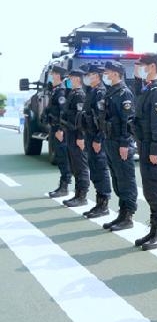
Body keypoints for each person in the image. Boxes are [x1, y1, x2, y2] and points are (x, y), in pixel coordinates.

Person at [132, 53, 157, 250]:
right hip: (144, 144)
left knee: (154, 190)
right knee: (149, 189)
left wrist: (155, 148)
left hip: (152, 147)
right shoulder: (147, 89)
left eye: (142, 65)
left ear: (153, 67)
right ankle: (154, 229)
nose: (138, 69)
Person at [100, 60, 138, 232]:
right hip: (110, 140)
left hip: (120, 142)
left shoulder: (124, 93)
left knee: (125, 179)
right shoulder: (111, 92)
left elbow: (127, 121)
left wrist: (124, 143)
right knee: (116, 178)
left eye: (107, 72)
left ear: (115, 73)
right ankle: (122, 213)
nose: (105, 75)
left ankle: (128, 215)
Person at [80, 64, 114, 218]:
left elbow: (102, 118)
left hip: (97, 137)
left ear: (98, 76)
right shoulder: (92, 91)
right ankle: (99, 202)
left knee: (100, 169)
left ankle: (104, 204)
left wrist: (99, 138)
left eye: (91, 74)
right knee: (94, 169)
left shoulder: (100, 92)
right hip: (90, 135)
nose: (87, 77)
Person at [61, 68, 91, 207]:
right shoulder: (73, 93)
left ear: (77, 79)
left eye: (71, 78)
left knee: (80, 166)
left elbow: (80, 119)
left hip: (77, 135)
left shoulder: (79, 95)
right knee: (74, 165)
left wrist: (80, 136)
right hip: (70, 133)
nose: (68, 80)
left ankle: (82, 195)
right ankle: (77, 194)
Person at [47, 65, 73, 198]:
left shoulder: (61, 92)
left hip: (59, 130)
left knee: (63, 158)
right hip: (54, 128)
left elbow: (63, 112)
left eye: (52, 73)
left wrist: (60, 129)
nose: (51, 75)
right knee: (59, 156)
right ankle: (63, 185)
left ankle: (64, 186)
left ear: (58, 75)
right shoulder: (55, 90)